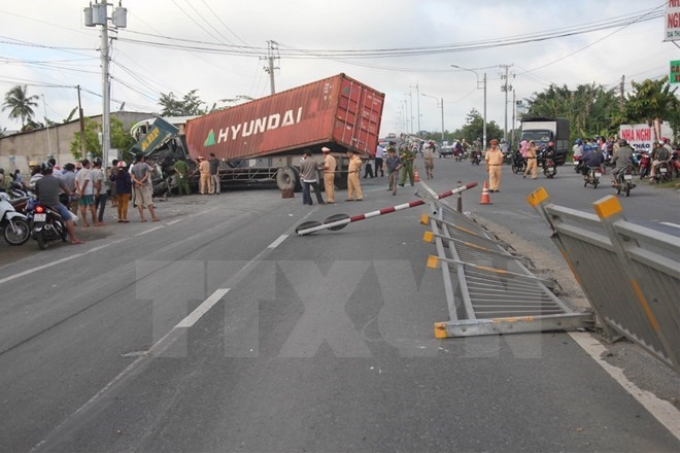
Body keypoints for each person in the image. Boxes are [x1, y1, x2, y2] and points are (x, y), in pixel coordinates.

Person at [34, 162, 83, 245]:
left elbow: (37, 194)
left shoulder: (38, 182)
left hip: (42, 205)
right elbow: (67, 191)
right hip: (55, 205)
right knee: (68, 218)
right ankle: (73, 239)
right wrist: (72, 194)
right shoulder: (57, 180)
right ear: (51, 170)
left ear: (42, 171)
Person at [130, 155, 160, 222]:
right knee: (149, 201)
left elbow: (132, 178)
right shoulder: (145, 166)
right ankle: (154, 217)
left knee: (139, 202)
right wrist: (141, 182)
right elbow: (146, 176)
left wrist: (138, 183)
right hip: (144, 185)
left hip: (137, 186)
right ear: (141, 158)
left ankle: (142, 218)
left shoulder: (134, 167)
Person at [75, 159, 99, 227]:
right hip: (88, 192)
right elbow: (86, 182)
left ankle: (85, 222)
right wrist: (82, 191)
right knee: (92, 206)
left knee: (82, 206)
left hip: (80, 192)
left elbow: (76, 182)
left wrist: (79, 191)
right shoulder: (88, 172)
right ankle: (96, 222)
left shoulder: (79, 172)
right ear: (87, 164)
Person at [92, 157, 107, 225]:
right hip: (102, 191)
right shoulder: (99, 172)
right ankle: (100, 219)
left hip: (95, 191)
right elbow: (99, 183)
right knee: (102, 206)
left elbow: (92, 182)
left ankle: (94, 219)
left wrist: (95, 188)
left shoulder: (91, 172)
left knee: (95, 206)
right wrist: (98, 191)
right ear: (99, 164)